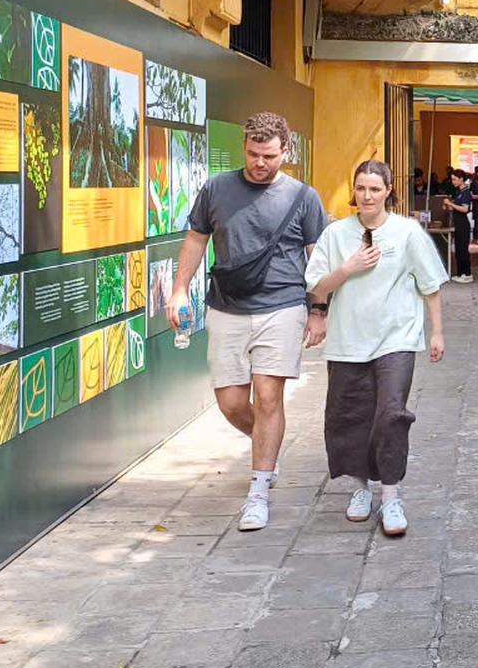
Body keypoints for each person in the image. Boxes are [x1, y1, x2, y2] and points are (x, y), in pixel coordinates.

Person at [170, 112, 328, 531]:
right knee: (232, 402)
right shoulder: (217, 188)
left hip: (282, 305)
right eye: (254, 154)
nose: (260, 162)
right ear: (244, 148)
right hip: (227, 306)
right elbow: (196, 240)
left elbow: (317, 259)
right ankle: (267, 445)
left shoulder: (303, 197)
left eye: (269, 155)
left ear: (285, 151)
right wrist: (179, 289)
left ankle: (258, 489)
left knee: (269, 396)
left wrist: (318, 310)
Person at [305, 160, 447, 537]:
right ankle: (361, 489)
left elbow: (430, 284)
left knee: (391, 414)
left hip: (396, 338)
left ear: (388, 191)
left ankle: (391, 495)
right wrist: (348, 267)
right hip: (348, 340)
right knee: (352, 416)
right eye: (361, 188)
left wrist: (437, 332)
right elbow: (317, 288)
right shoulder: (335, 234)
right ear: (353, 191)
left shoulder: (407, 232)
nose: (367, 196)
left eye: (374, 189)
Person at [440, 169, 473, 283]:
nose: (453, 182)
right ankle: (460, 273)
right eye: (452, 179)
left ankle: (467, 274)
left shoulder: (466, 192)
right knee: (458, 249)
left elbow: (465, 209)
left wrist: (451, 204)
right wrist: (448, 206)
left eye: (454, 179)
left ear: (461, 179)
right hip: (457, 223)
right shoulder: (459, 192)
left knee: (463, 249)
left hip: (463, 224)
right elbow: (455, 208)